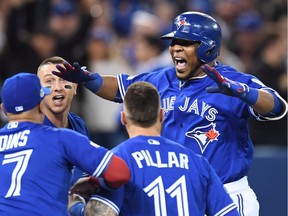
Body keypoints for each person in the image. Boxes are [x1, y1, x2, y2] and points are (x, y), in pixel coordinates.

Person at [52, 11, 288, 216]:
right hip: (183, 192)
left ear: (208, 48)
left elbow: (277, 107)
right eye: (173, 41)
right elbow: (121, 89)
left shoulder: (235, 81)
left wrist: (245, 93)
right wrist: (90, 80)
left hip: (227, 190)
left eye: (185, 42)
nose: (175, 47)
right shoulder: (161, 78)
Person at [68, 81, 240, 216]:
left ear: (123, 118)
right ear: (162, 115)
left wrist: (76, 206)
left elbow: (102, 214)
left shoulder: (117, 162)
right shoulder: (197, 161)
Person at [0, 73, 130, 215]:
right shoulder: (61, 138)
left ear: (4, 109)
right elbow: (120, 173)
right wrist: (94, 182)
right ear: (40, 105)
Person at [37, 56, 89, 185]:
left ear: (75, 87)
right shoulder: (34, 131)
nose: (57, 87)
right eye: (49, 81)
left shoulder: (79, 124)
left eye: (63, 80)